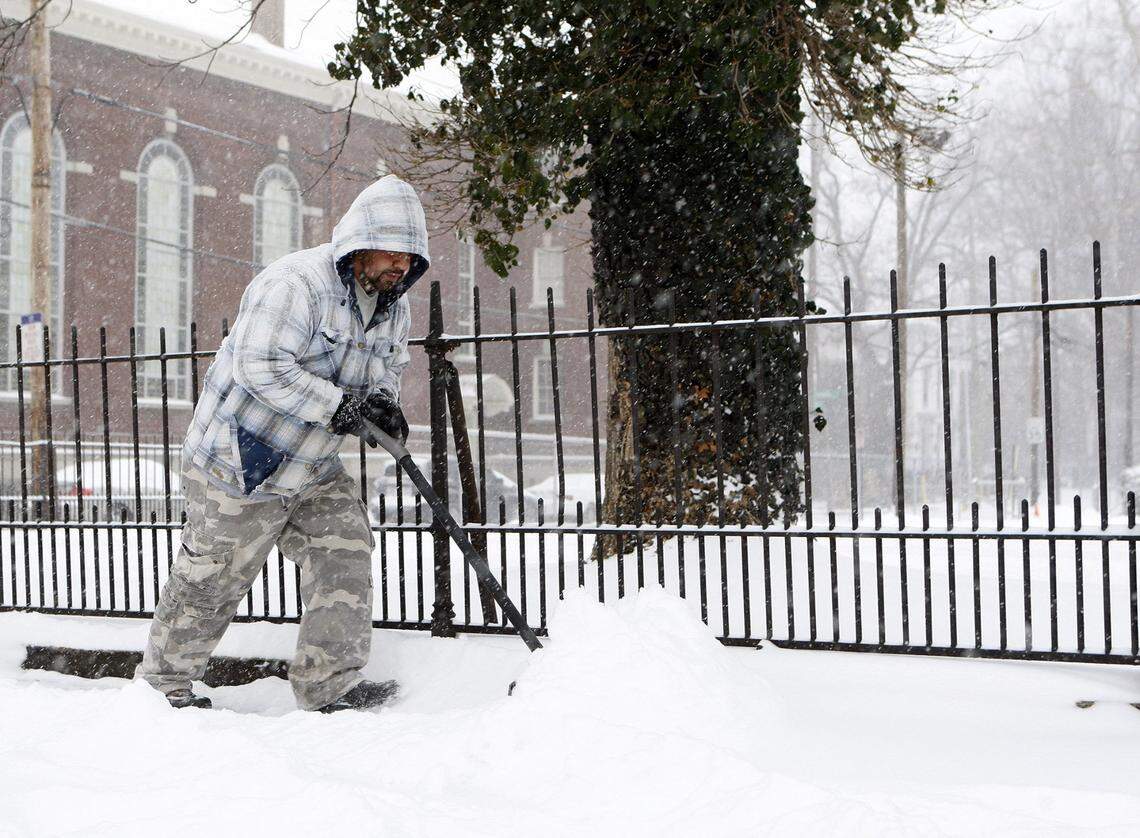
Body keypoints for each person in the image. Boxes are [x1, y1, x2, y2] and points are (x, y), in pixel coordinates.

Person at [135, 175, 429, 712]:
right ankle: (164, 690)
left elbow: (390, 366)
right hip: (242, 458)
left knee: (345, 552)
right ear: (361, 243)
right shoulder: (296, 284)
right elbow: (260, 366)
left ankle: (328, 685)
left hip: (312, 464)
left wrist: (382, 403)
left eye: (411, 258)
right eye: (393, 253)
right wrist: (340, 406)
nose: (401, 267)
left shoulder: (394, 305)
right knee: (212, 577)